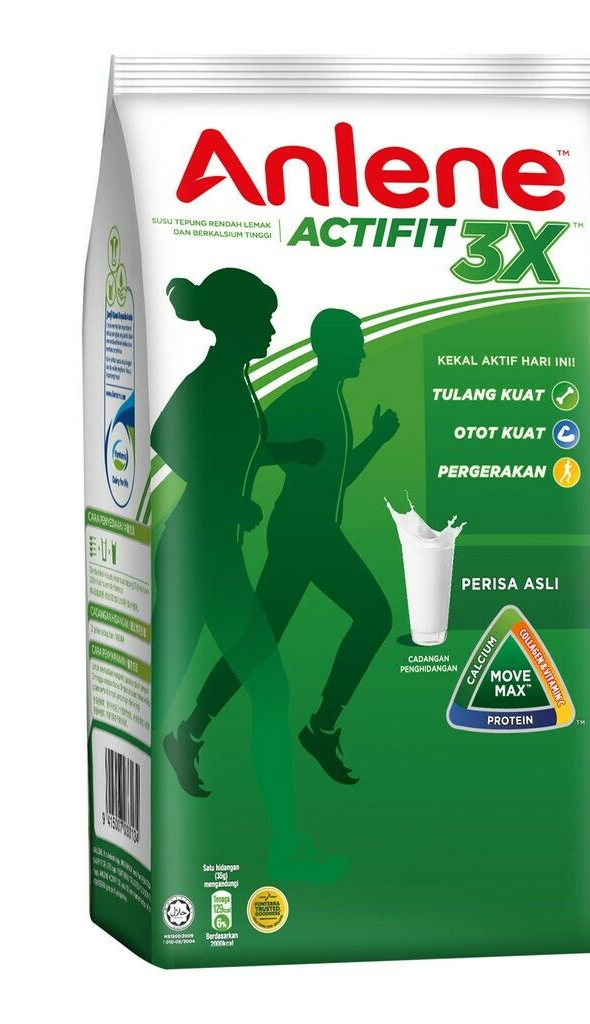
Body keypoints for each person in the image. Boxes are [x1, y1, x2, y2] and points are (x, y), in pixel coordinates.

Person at [152, 268, 340, 881]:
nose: (272, 331)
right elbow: (164, 436)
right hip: (200, 554)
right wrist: (224, 499)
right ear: (235, 325)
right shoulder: (212, 381)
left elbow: (234, 449)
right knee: (260, 689)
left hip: (213, 554)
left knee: (182, 679)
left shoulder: (235, 381)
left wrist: (288, 455)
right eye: (263, 320)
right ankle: (285, 850)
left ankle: (181, 750)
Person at [169, 308, 399, 795]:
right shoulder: (305, 398)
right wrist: (237, 500)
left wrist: (376, 440)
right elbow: (250, 450)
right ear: (332, 348)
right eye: (355, 342)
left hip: (313, 532)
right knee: (375, 616)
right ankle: (320, 728)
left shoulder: (333, 399)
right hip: (302, 534)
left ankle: (189, 734)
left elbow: (339, 478)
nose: (363, 351)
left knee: (258, 643)